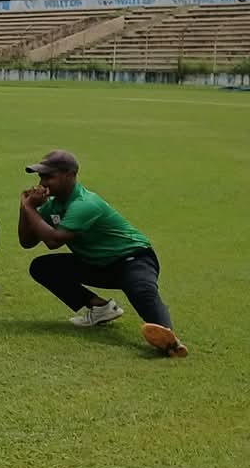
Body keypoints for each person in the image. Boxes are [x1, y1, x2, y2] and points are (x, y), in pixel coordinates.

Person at [16, 149, 188, 358]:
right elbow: (27, 241)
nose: (42, 182)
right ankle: (101, 309)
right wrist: (25, 208)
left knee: (141, 291)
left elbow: (53, 241)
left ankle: (169, 339)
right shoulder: (52, 205)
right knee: (42, 267)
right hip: (96, 263)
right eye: (41, 176)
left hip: (133, 258)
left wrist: (30, 209)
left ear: (70, 175)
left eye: (49, 176)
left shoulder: (85, 203)